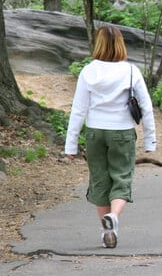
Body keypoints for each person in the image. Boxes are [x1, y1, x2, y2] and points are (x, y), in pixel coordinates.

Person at [64, 25, 156, 248]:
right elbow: (146, 106)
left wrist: (71, 145)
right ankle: (113, 217)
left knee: (100, 180)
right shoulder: (131, 71)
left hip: (95, 132)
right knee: (121, 177)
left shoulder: (88, 71)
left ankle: (108, 232)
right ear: (121, 44)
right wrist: (150, 139)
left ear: (99, 44)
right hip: (122, 132)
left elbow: (78, 109)